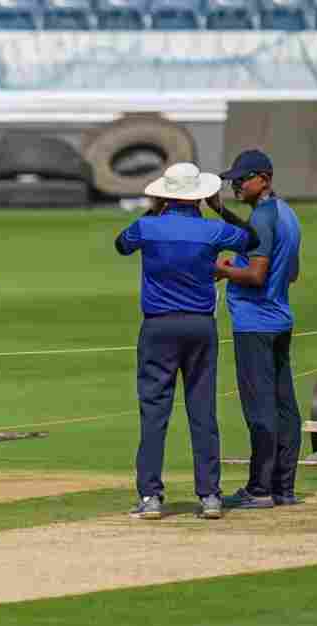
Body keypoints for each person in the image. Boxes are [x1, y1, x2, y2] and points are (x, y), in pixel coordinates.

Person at [115, 162, 260, 520]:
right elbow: (252, 238)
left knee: (154, 413)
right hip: (200, 326)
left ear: (165, 194)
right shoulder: (213, 231)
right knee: (202, 412)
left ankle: (150, 497)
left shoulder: (147, 227)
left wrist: (153, 210)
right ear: (199, 195)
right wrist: (219, 207)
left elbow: (121, 245)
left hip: (158, 327)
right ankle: (210, 495)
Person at [208, 150, 304, 508]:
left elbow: (256, 274)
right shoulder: (285, 213)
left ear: (264, 178)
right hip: (279, 318)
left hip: (254, 322)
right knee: (284, 406)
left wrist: (224, 271)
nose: (236, 184)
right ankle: (283, 487)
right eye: (234, 178)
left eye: (242, 178)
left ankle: (260, 490)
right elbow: (290, 272)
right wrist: (218, 210)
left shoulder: (263, 218)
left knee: (259, 407)